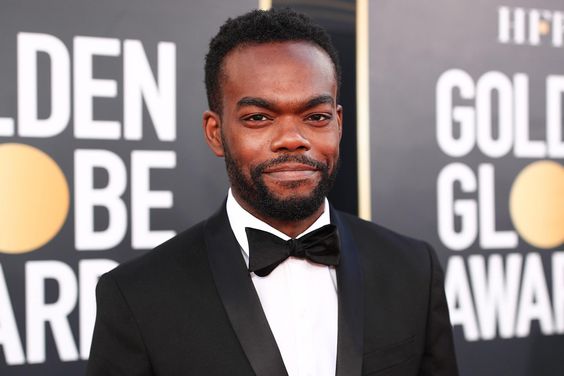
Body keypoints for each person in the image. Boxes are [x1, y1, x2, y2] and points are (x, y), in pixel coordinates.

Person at [87, 8, 458, 376]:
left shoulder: (413, 270)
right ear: (216, 132)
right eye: (258, 118)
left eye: (315, 117)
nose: (292, 140)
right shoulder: (137, 296)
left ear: (339, 124)